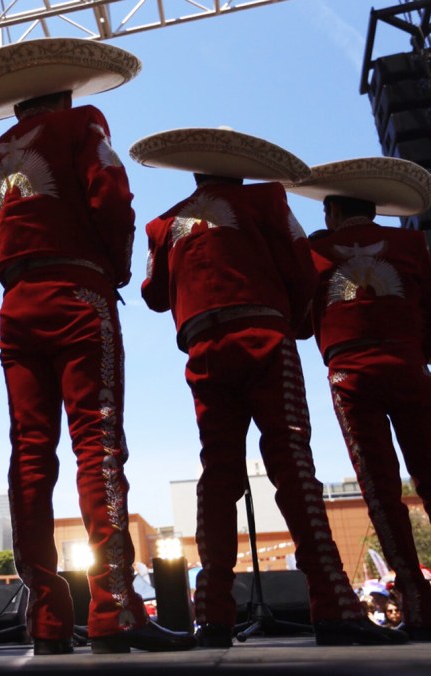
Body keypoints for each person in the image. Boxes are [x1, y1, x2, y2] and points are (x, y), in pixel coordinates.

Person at [0, 38, 194, 655]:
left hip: (16, 303)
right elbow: (112, 195)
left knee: (30, 454)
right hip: (78, 293)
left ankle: (47, 619)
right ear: (64, 91)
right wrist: (111, 268)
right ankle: (115, 608)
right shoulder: (84, 124)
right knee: (98, 442)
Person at [134, 128, 407, 648]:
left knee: (217, 473)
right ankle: (333, 605)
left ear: (194, 172)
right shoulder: (265, 198)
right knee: (291, 462)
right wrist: (298, 323)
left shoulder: (164, 223)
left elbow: (153, 295)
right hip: (262, 335)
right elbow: (301, 268)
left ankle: (212, 615)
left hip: (203, 348)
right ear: (238, 168)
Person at [286, 157, 431, 641]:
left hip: (349, 376)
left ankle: (418, 608)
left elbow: (300, 324)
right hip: (407, 367)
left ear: (334, 214)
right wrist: (410, 349)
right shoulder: (409, 242)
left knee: (381, 491)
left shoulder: (316, 250)